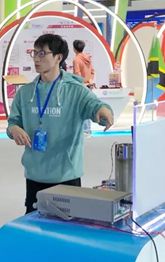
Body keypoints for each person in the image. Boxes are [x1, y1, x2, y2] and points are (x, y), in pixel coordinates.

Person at [7, 34, 114, 214]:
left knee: (67, 227)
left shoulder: (75, 90)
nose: (36, 58)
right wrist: (14, 129)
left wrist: (104, 111)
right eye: (35, 53)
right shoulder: (25, 93)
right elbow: (13, 123)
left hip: (66, 176)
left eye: (42, 53)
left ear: (58, 57)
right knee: (34, 226)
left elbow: (96, 106)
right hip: (35, 175)